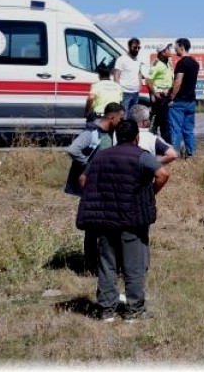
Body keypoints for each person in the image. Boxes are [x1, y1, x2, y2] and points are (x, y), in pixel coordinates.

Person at [76, 119, 171, 322]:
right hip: (132, 220)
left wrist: (99, 196)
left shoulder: (101, 156)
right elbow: (163, 174)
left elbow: (83, 179)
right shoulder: (141, 156)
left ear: (116, 137)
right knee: (134, 266)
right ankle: (134, 311)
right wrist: (150, 193)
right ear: (137, 137)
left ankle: (106, 310)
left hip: (105, 219)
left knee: (107, 264)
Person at [65, 103, 126, 274]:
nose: (123, 121)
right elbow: (72, 149)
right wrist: (88, 165)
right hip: (92, 186)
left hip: (108, 186)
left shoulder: (112, 133)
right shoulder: (91, 133)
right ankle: (90, 264)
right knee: (92, 226)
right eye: (121, 118)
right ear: (112, 117)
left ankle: (107, 261)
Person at [168, 38, 200, 158]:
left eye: (176, 46)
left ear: (181, 46)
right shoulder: (195, 63)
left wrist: (172, 97)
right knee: (188, 130)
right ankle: (192, 154)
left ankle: (174, 155)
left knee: (176, 129)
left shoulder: (182, 63)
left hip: (179, 101)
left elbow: (178, 81)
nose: (174, 49)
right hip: (191, 101)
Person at [113, 38, 147, 115]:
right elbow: (116, 75)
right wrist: (118, 90)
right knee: (123, 115)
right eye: (135, 47)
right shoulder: (121, 59)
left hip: (135, 92)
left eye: (139, 48)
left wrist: (140, 85)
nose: (137, 49)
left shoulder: (138, 60)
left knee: (133, 115)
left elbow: (139, 73)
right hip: (125, 92)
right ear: (129, 47)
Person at [148, 44, 175, 141]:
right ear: (163, 52)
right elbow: (149, 80)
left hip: (166, 95)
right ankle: (153, 140)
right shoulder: (157, 64)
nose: (170, 50)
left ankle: (165, 142)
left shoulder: (167, 63)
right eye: (168, 49)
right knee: (156, 118)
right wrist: (154, 94)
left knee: (165, 119)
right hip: (159, 96)